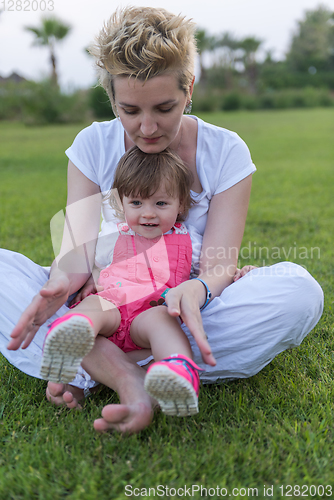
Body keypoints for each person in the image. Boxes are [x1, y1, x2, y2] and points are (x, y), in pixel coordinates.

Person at [0, 6, 323, 434]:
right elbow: (76, 251)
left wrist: (201, 287)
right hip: (104, 295)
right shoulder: (92, 144)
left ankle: (96, 365)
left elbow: (219, 264)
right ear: (112, 98)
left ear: (189, 88)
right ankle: (133, 372)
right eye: (129, 110)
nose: (147, 127)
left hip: (181, 306)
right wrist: (61, 283)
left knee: (301, 290)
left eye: (164, 107)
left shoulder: (225, 151)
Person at [40, 145, 212, 416]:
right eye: (136, 203)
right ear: (121, 203)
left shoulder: (190, 240)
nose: (148, 213)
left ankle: (176, 371)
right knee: (94, 307)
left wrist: (239, 273)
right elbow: (91, 263)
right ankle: (72, 336)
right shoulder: (113, 233)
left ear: (181, 204)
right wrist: (89, 282)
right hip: (113, 305)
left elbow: (211, 273)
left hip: (150, 312)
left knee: (164, 323)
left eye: (161, 203)